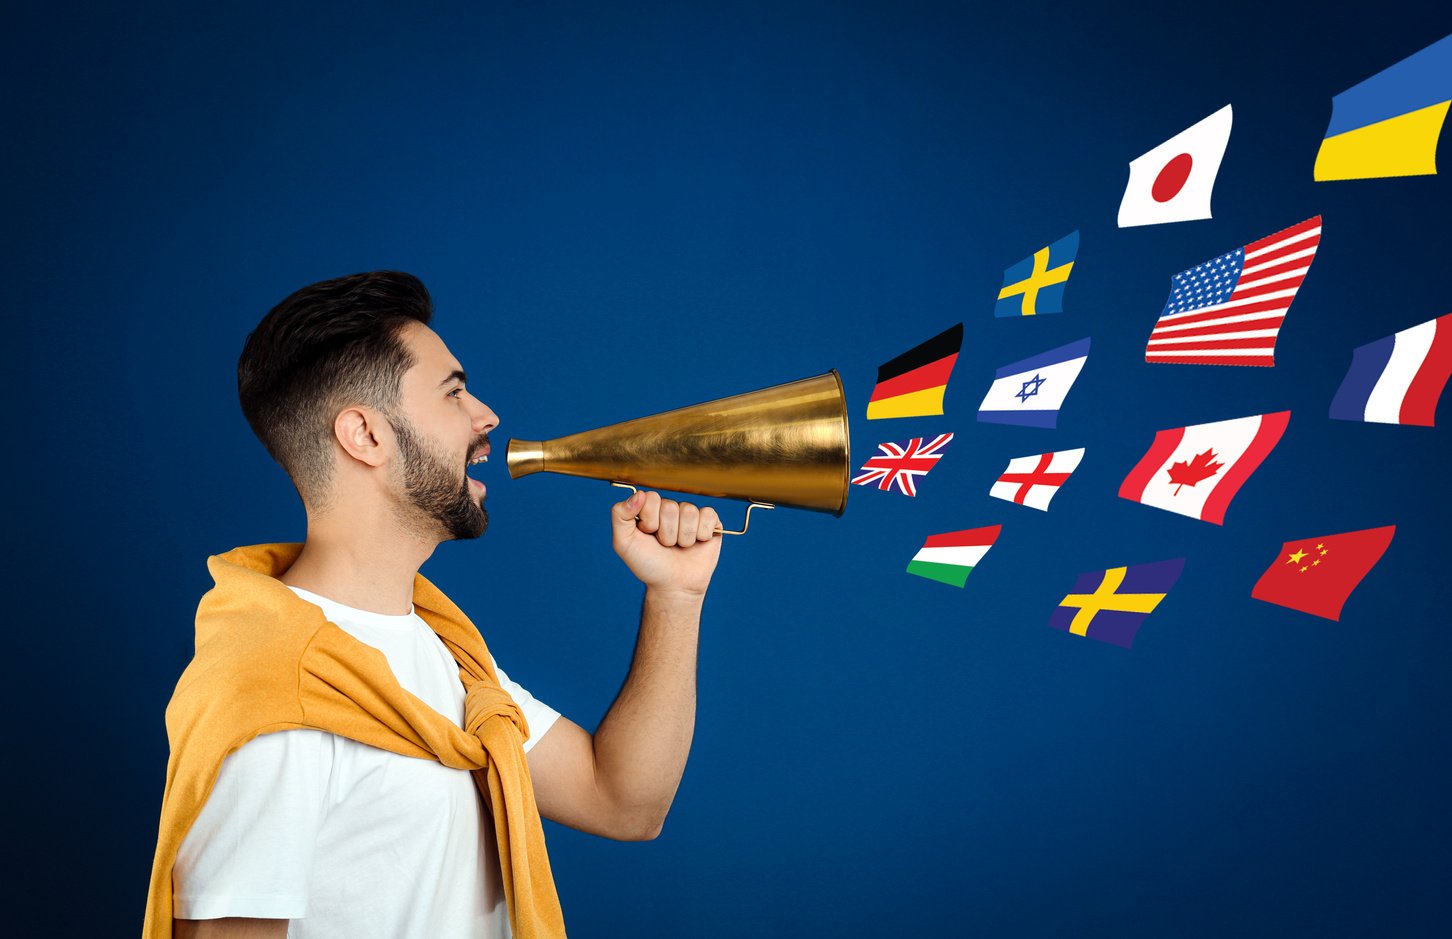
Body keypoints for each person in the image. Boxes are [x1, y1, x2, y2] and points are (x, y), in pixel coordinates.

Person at [143, 271, 723, 939]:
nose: (486, 416)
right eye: (453, 393)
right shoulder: (273, 699)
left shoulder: (446, 652)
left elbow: (624, 801)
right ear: (365, 435)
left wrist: (676, 594)